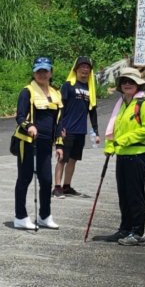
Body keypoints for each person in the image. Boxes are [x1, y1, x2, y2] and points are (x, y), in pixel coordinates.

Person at [93, 67, 145, 246]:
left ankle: (136, 232)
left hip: (138, 155)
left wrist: (123, 140)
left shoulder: (144, 105)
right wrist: (111, 145)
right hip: (122, 155)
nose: (127, 84)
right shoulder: (121, 105)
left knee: (135, 195)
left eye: (131, 82)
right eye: (124, 82)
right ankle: (125, 228)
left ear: (138, 85)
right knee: (124, 194)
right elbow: (115, 130)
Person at [13, 56, 63, 230]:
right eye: (38, 71)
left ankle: (44, 215)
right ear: (34, 72)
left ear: (51, 72)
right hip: (27, 141)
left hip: (46, 144)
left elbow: (59, 122)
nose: (42, 74)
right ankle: (20, 216)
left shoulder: (56, 92)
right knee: (25, 178)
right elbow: (20, 116)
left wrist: (60, 144)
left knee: (47, 180)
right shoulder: (27, 91)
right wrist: (30, 126)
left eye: (45, 71)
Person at [53, 56, 100, 197]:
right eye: (82, 67)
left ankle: (66, 186)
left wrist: (96, 131)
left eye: (88, 67)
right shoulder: (68, 86)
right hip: (67, 129)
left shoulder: (90, 89)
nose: (85, 70)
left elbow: (92, 111)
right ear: (76, 69)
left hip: (80, 131)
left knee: (73, 160)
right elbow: (60, 107)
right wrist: (59, 127)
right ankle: (57, 187)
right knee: (62, 158)